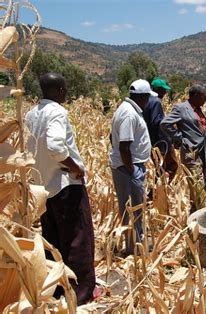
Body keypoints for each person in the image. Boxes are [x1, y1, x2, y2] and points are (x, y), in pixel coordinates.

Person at [25, 73, 96, 305]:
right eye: (65, 89)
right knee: (78, 240)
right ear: (60, 91)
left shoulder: (31, 114)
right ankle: (80, 294)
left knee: (53, 241)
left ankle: (56, 289)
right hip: (65, 185)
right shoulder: (57, 112)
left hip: (42, 188)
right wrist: (77, 168)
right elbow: (55, 146)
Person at [109, 79, 153, 255]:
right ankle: (134, 248)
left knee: (133, 207)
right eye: (148, 96)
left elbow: (112, 135)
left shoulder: (128, 110)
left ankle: (135, 243)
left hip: (130, 166)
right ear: (143, 96)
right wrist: (132, 171)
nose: (149, 100)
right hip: (129, 168)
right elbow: (124, 146)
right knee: (133, 208)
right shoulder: (129, 113)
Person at [160, 85, 206, 213]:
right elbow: (165, 123)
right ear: (194, 96)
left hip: (202, 151)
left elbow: (202, 131)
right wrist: (179, 138)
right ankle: (200, 217)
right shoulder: (181, 108)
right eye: (203, 97)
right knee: (197, 185)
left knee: (201, 186)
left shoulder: (199, 109)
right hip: (191, 152)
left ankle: (195, 215)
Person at [143, 78, 178, 182]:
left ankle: (157, 192)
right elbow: (157, 123)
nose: (165, 92)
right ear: (157, 89)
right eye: (163, 90)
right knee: (171, 166)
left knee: (159, 168)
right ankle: (159, 192)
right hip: (161, 142)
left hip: (150, 141)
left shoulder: (145, 101)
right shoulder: (156, 102)